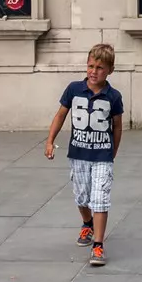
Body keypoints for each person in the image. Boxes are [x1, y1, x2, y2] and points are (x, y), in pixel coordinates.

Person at [45, 43, 124, 267]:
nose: (94, 71)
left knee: (100, 198)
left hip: (102, 156)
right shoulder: (73, 89)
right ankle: (86, 222)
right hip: (78, 153)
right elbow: (60, 115)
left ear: (110, 70)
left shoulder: (113, 96)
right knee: (82, 196)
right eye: (90, 66)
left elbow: (117, 126)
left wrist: (113, 151)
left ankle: (98, 245)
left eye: (100, 67)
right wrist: (50, 141)